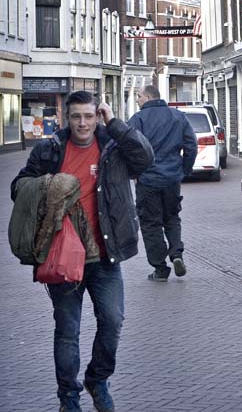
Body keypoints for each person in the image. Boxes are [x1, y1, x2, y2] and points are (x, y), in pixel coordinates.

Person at [10, 90, 154, 412]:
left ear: (97, 115)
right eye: (76, 116)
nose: (83, 123)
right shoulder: (51, 150)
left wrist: (115, 122)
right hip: (62, 259)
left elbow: (146, 158)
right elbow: (18, 187)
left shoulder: (113, 148)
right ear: (67, 118)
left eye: (89, 116)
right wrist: (47, 186)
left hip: (105, 255)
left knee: (113, 321)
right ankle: (69, 399)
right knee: (67, 333)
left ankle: (97, 379)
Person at [127, 85, 197, 282]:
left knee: (151, 223)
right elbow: (191, 145)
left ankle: (160, 268)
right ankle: (176, 254)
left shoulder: (138, 119)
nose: (137, 100)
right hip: (172, 178)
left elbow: (128, 147)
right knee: (172, 217)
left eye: (139, 96)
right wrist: (184, 170)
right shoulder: (178, 116)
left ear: (148, 97)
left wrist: (133, 172)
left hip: (147, 180)